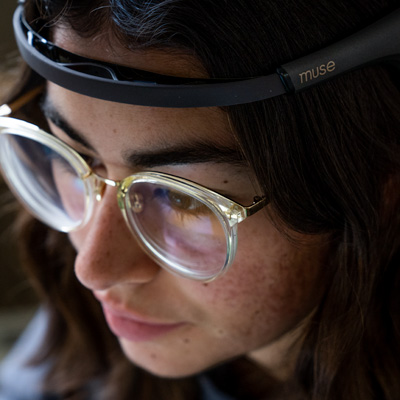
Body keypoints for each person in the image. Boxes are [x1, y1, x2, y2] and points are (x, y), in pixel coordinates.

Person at [0, 0, 399, 399]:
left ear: (381, 184)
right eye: (78, 160)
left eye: (181, 199)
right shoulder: (74, 344)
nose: (92, 269)